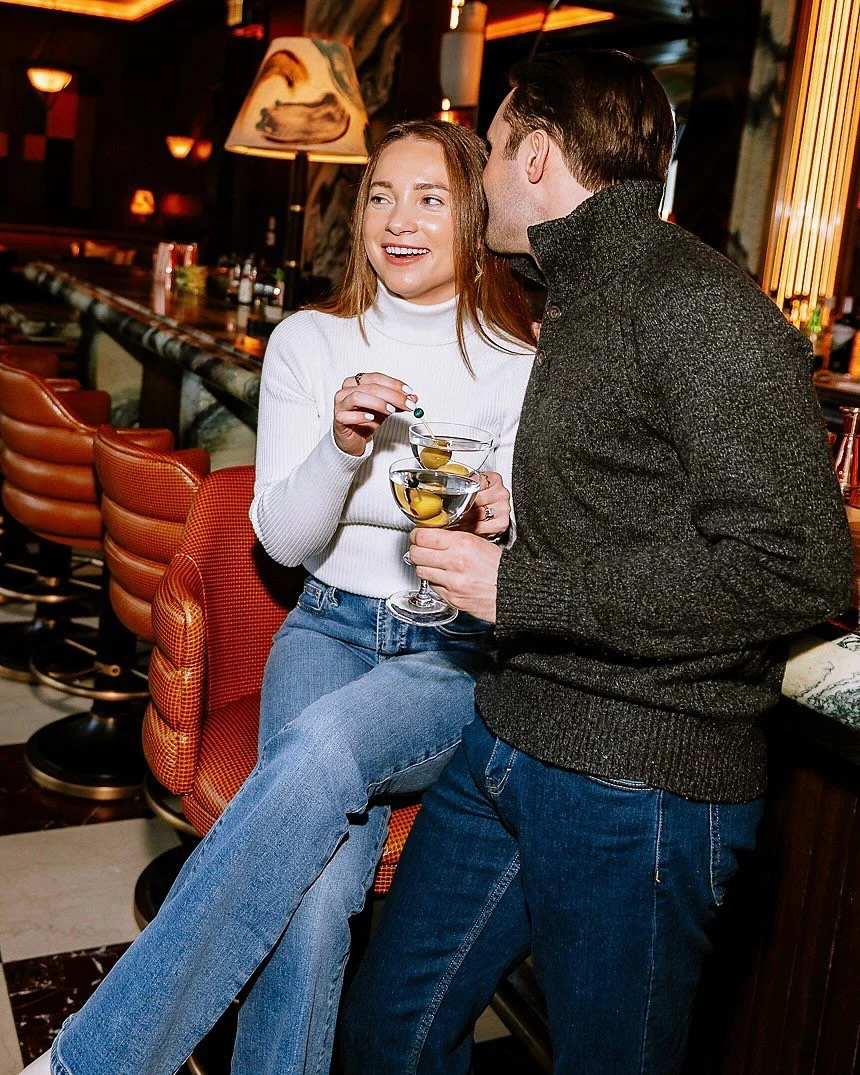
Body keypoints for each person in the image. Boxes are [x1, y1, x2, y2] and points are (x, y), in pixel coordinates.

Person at [341, 51, 855, 1074]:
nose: (479, 170)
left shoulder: (695, 307)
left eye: (488, 148)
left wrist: (521, 585)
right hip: (511, 732)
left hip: (637, 781)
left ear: (534, 152)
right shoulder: (576, 291)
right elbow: (642, 494)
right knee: (385, 1037)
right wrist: (523, 514)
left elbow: (794, 569)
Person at [23, 119, 535, 1075]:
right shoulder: (310, 340)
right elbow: (285, 544)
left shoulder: (520, 362)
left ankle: (89, 1060)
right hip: (327, 628)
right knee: (315, 893)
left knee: (325, 745)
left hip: (449, 655)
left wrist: (505, 517)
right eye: (381, 193)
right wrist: (341, 447)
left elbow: (523, 557)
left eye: (431, 197)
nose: (400, 218)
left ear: (474, 215)